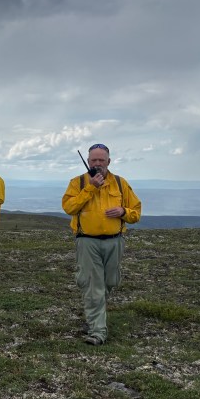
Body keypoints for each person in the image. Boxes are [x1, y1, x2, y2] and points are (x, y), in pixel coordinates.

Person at [62, 143, 141, 346]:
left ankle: (94, 313)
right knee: (93, 286)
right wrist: (91, 188)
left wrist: (123, 212)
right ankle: (98, 331)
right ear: (88, 161)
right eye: (94, 160)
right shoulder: (77, 183)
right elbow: (69, 207)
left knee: (110, 282)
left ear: (109, 161)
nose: (98, 164)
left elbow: (136, 213)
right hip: (87, 241)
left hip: (115, 241)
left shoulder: (120, 183)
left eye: (101, 160)